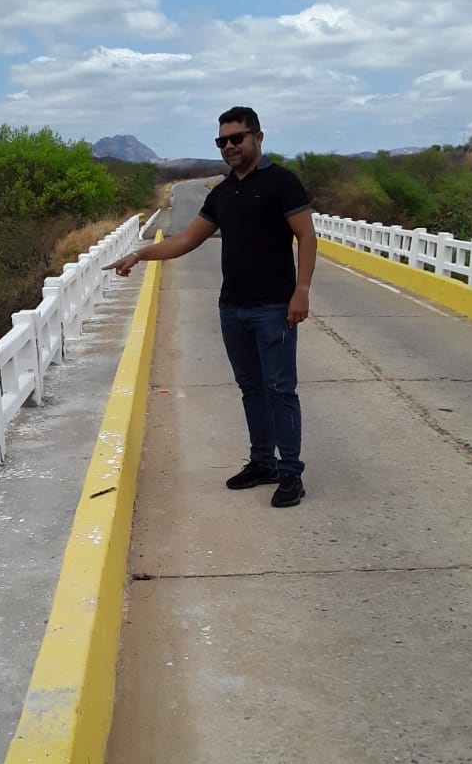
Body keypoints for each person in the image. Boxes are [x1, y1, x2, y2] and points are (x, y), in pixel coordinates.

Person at [107, 106, 317, 508]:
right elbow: (186, 240)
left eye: (236, 138)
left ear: (258, 136)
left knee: (280, 389)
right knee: (251, 388)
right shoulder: (222, 193)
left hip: (274, 306)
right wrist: (139, 255)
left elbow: (306, 237)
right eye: (221, 141)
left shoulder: (282, 183)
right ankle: (262, 462)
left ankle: (290, 472)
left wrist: (301, 290)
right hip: (232, 308)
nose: (229, 147)